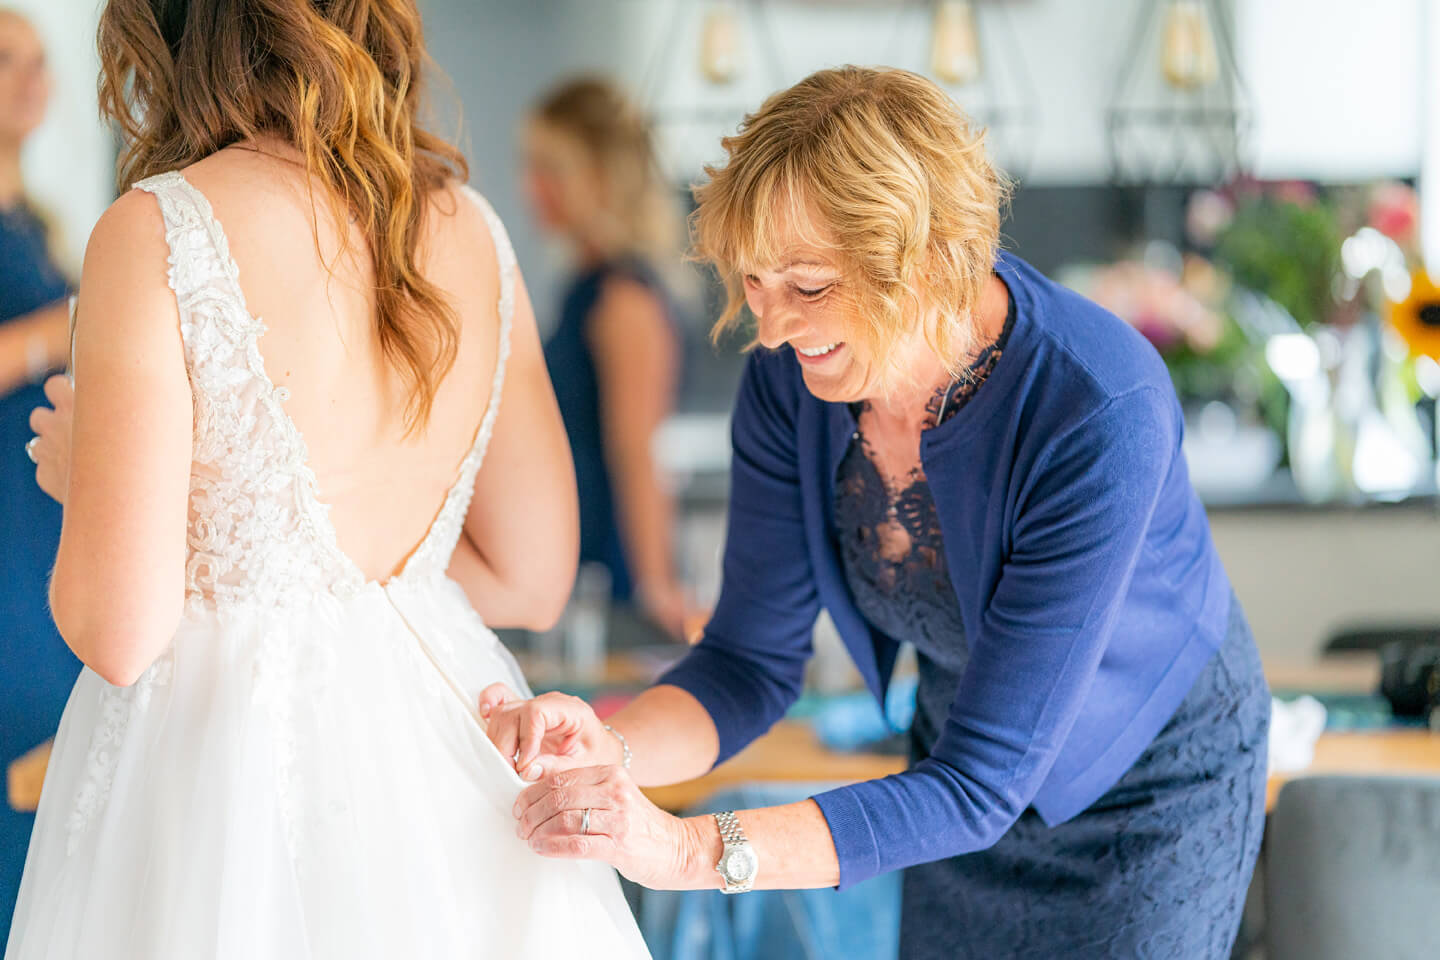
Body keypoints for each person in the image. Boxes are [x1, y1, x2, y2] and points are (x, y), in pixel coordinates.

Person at [481, 67, 1270, 958]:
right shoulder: (792, 385)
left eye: (809, 287)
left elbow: (984, 785)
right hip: (950, 786)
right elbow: (746, 663)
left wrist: (689, 848)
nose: (772, 328)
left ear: (932, 257)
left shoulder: (1096, 408)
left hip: (1148, 798)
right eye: (755, 281)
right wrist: (606, 755)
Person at [9, 1, 649, 956]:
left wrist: (90, 479)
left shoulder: (156, 228)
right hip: (443, 735)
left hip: (225, 774)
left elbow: (118, 632)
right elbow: (531, 577)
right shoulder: (469, 226)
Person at [525, 77, 689, 639]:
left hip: (609, 568)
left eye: (550, 167)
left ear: (597, 176)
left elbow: (636, 450)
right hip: (571, 551)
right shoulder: (582, 287)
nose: (532, 186)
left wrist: (657, 586)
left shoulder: (624, 299)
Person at [0, 9, 78, 944]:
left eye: (36, 59)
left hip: (44, 534)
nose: (29, 76)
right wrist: (60, 327)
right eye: (3, 58)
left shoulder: (36, 226)